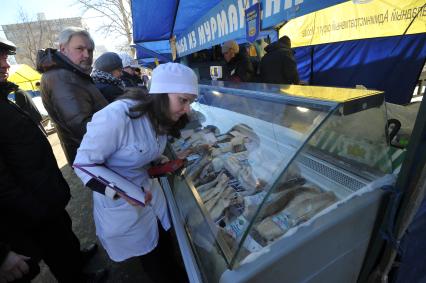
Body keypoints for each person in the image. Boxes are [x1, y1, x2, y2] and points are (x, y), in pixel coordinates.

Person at [73, 62, 196, 283]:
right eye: (183, 100)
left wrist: (162, 162)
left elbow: (141, 150)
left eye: (191, 101)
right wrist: (124, 192)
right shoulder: (118, 115)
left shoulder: (161, 116)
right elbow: (84, 165)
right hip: (124, 205)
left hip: (151, 198)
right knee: (154, 263)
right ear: (161, 93)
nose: (187, 108)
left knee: (163, 248)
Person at [0, 37, 106, 283]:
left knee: (64, 235)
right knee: (55, 246)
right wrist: (32, 208)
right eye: (1, 58)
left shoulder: (3, 96)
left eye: (6, 57)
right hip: (31, 204)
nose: (6, 65)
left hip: (43, 191)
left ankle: (77, 259)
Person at [36, 27, 108, 165]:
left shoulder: (70, 74)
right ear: (63, 49)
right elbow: (83, 127)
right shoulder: (61, 77)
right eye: (80, 49)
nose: (87, 55)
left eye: (90, 50)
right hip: (96, 157)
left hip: (96, 155)